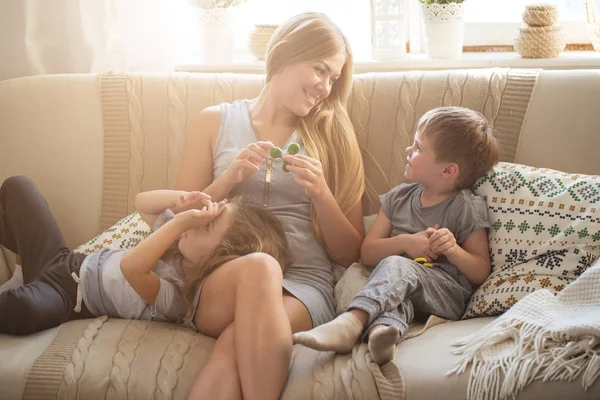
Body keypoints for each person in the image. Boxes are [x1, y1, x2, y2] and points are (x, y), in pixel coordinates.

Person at [174, 12, 366, 400]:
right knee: (260, 267)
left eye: (333, 78)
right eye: (320, 69)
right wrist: (228, 179)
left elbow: (350, 252)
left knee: (233, 343)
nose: (326, 87)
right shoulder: (214, 122)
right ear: (283, 55)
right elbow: (178, 222)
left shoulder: (332, 131)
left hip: (302, 288)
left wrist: (322, 195)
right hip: (221, 278)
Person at [293, 106, 501, 366]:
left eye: (418, 148)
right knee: (393, 289)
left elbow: (481, 270)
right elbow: (367, 253)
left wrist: (453, 250)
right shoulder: (398, 198)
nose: (408, 151)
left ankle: (352, 322)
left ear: (448, 171)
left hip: (446, 294)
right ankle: (383, 335)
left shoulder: (465, 206)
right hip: (403, 291)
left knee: (397, 267)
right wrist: (406, 242)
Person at [0, 175, 289, 335]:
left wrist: (180, 223)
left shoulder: (179, 298)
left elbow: (132, 267)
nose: (197, 221)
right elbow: (144, 203)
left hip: (66, 297)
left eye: (207, 225)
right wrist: (180, 200)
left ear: (219, 257)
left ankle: (27, 288)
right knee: (19, 186)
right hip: (66, 260)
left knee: (27, 307)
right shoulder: (177, 242)